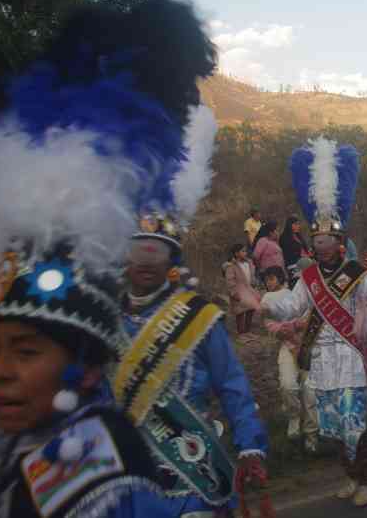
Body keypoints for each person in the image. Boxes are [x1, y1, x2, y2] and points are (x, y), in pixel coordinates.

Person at [0, 0, 236, 517]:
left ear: (82, 365)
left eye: (27, 351)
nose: (1, 371)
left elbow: (229, 383)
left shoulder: (107, 484)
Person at [239, 136, 367, 507]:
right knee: (334, 427)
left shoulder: (357, 272)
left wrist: (365, 314)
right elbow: (291, 306)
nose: (320, 244)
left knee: (354, 424)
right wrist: (260, 304)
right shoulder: (307, 278)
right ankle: (351, 476)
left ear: (339, 241)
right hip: (320, 357)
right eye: (316, 238)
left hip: (350, 356)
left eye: (327, 238)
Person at [120, 218, 269, 516]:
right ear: (124, 258)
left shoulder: (198, 316)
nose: (147, 263)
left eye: (157, 254)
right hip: (128, 477)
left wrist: (249, 442)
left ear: (171, 261)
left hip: (193, 473)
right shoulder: (105, 320)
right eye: (139, 253)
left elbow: (231, 382)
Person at [262, 266, 319, 454]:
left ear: (281, 278)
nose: (269, 282)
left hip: (308, 345)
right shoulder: (266, 299)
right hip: (287, 346)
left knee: (310, 391)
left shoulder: (296, 293)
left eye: (272, 278)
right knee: (287, 385)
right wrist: (287, 328)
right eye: (266, 279)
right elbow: (270, 325)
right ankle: (294, 417)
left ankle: (312, 436)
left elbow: (307, 318)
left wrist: (293, 325)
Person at [226, 243, 255, 335]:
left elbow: (252, 275)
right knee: (240, 312)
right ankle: (241, 332)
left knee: (250, 309)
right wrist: (234, 293)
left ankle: (248, 330)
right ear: (236, 253)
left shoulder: (249, 263)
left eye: (245, 251)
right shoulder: (231, 266)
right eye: (243, 251)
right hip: (239, 292)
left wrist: (254, 283)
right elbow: (230, 281)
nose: (245, 253)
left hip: (249, 291)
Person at [279, 215, 311, 285]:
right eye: (295, 224)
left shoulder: (298, 235)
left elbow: (303, 248)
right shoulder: (284, 237)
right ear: (289, 225)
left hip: (305, 262)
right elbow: (287, 253)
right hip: (293, 265)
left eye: (298, 224)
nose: (298, 226)